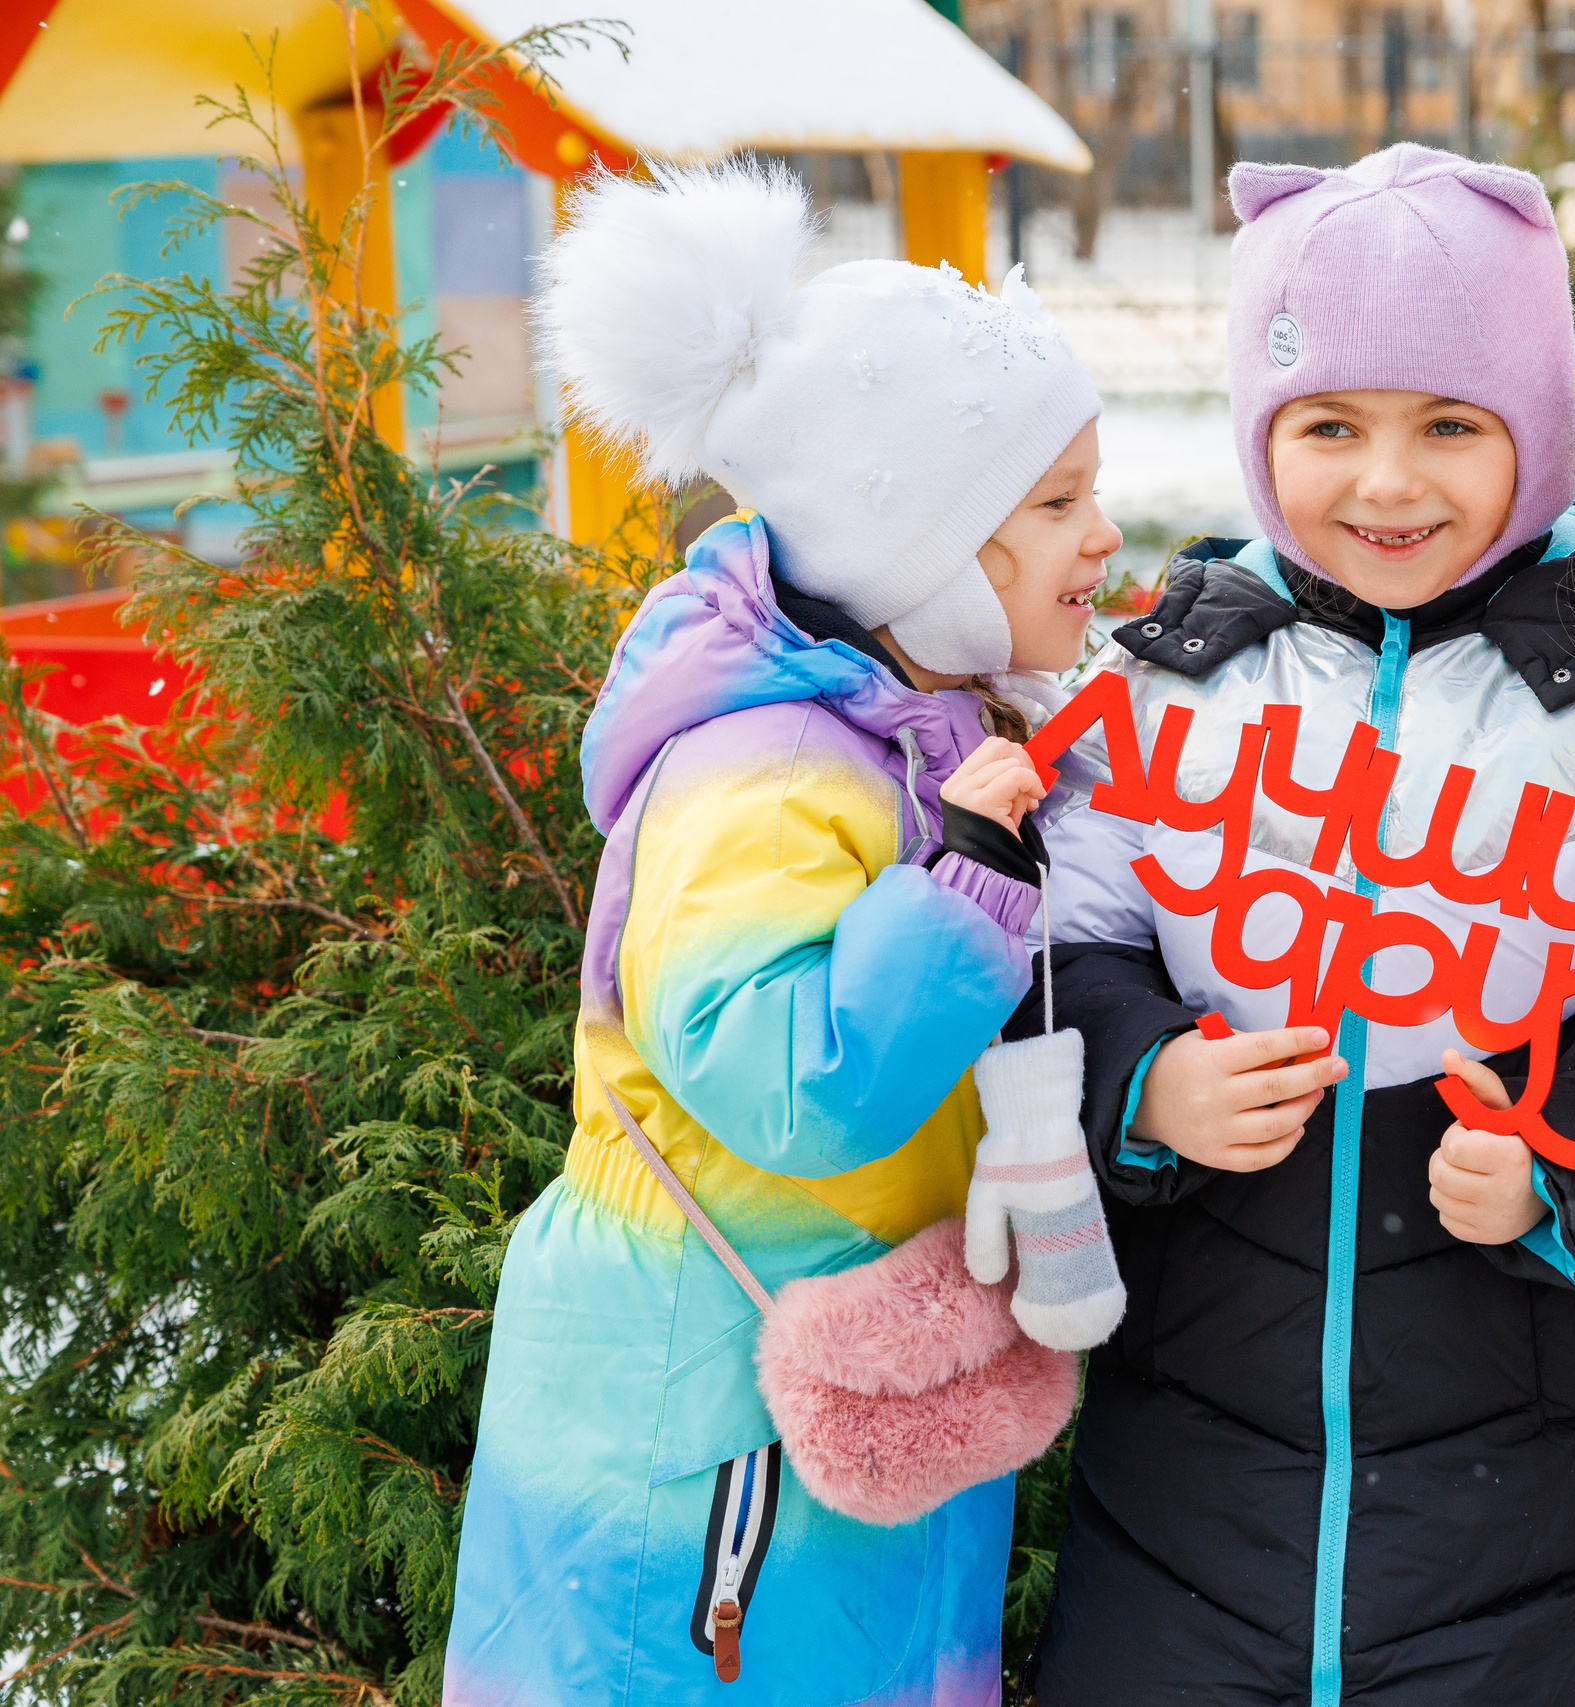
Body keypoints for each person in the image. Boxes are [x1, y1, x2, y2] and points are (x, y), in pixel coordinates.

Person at [1020, 143, 1575, 1706]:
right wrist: (1145, 1080)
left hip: (1530, 1513)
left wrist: (1565, 1157)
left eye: (1452, 426)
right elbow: (1064, 951)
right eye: (1330, 427)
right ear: (1262, 432)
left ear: (1543, 433)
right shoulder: (1173, 676)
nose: (1389, 483)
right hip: (1186, 1505)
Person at [442, 162, 1121, 1706]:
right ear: (925, 548)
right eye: (1060, 503)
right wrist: (963, 882)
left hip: (821, 1377)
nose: (1105, 534)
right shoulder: (763, 774)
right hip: (703, 1441)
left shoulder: (913, 727)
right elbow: (792, 1086)